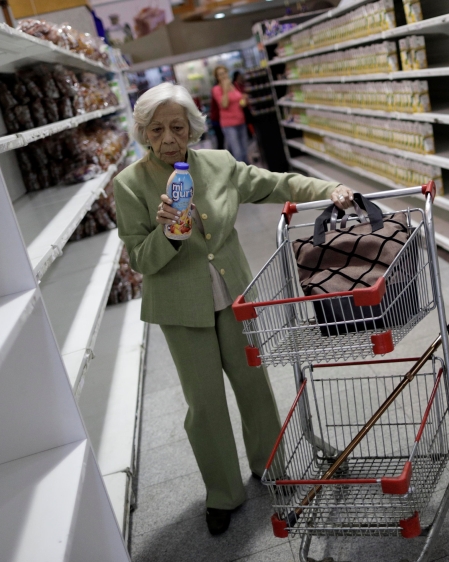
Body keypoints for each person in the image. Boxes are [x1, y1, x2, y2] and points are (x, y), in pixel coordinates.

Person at [114, 83, 354, 536]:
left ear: (193, 128)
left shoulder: (220, 165)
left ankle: (272, 467)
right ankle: (223, 492)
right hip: (181, 310)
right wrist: (167, 234)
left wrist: (329, 187)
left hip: (234, 298)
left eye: (178, 127)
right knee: (204, 404)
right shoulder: (129, 185)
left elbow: (276, 184)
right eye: (158, 129)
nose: (169, 138)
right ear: (143, 133)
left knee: (254, 384)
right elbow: (139, 260)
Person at [211, 65, 249, 162]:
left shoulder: (234, 85)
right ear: (217, 77)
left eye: (224, 73)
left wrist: (244, 99)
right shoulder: (216, 89)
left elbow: (240, 101)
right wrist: (225, 89)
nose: (223, 76)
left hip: (241, 121)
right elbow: (224, 104)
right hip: (229, 125)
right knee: (238, 153)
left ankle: (249, 174)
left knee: (245, 150)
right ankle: (240, 175)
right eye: (220, 74)